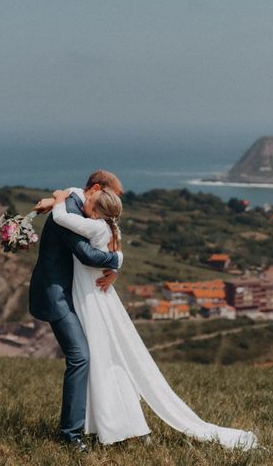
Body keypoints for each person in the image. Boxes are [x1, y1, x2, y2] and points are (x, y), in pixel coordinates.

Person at [38, 184, 258, 450]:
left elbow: (83, 247)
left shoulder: (87, 218)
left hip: (90, 295)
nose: (91, 211)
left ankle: (82, 430)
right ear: (95, 190)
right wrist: (57, 200)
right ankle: (89, 427)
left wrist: (58, 201)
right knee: (99, 358)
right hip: (77, 295)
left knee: (99, 358)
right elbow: (76, 197)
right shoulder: (93, 215)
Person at [28, 170, 124, 452]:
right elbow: (87, 255)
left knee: (93, 352)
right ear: (95, 189)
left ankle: (93, 423)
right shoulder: (69, 210)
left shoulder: (76, 200)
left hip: (77, 294)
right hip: (57, 294)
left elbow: (76, 195)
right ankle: (70, 435)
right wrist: (118, 259)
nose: (102, 214)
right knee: (80, 356)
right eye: (104, 199)